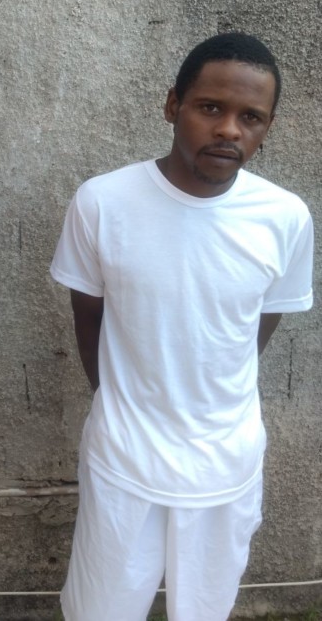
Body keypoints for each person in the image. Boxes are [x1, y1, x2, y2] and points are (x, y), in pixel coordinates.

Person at [50, 33, 314, 621]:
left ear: (267, 128)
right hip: (124, 462)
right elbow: (87, 320)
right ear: (173, 105)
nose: (229, 130)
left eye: (251, 117)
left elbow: (253, 332)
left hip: (227, 465)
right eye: (210, 107)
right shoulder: (102, 202)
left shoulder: (285, 218)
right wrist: (126, 404)